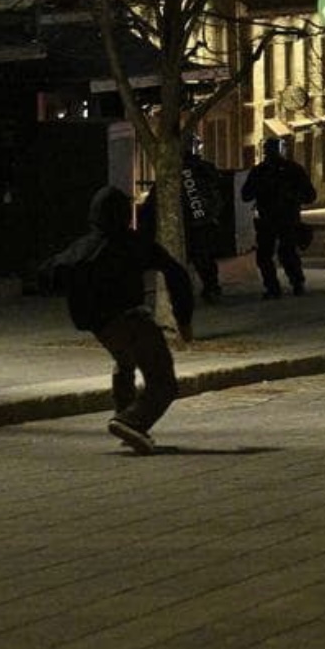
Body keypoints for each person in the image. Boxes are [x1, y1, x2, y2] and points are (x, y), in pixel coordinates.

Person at [39, 185, 195, 455]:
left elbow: (48, 273)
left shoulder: (82, 248)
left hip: (102, 327)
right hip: (132, 318)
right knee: (163, 382)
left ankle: (127, 419)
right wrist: (184, 319)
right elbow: (176, 273)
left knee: (124, 363)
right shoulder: (135, 243)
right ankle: (131, 420)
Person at [138, 134, 226, 301]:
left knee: (189, 260)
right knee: (203, 259)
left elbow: (156, 197)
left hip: (187, 222)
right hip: (201, 221)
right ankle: (210, 288)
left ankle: (198, 290)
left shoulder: (177, 169)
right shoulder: (202, 168)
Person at [240, 136, 315, 299]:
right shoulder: (261, 171)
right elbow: (246, 194)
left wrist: (291, 196)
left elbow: (309, 195)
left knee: (286, 252)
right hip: (269, 219)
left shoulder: (292, 170)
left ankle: (295, 283)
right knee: (267, 255)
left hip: (286, 218)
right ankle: (276, 286)